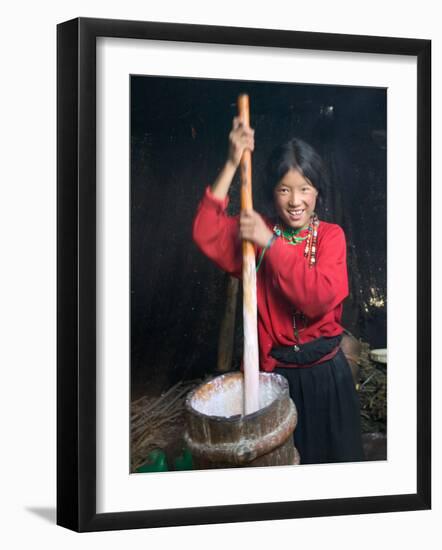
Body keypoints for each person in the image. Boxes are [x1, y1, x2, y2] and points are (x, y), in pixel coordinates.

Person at [192, 116, 364, 465]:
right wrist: (231, 162)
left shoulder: (330, 237)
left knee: (333, 476)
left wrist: (268, 243)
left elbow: (317, 299)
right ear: (273, 193)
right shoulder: (259, 231)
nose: (295, 200)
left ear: (318, 192)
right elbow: (205, 232)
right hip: (275, 380)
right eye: (285, 189)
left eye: (305, 188)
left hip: (326, 381)